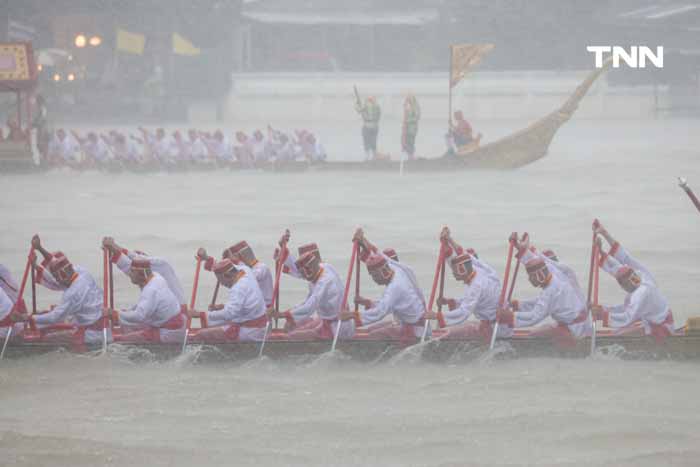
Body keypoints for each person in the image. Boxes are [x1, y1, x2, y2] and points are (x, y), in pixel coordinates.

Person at [496, 233, 591, 346]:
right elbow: (540, 301)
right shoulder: (555, 276)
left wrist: (507, 317)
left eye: (531, 276)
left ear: (539, 275)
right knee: (541, 329)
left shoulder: (550, 291)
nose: (530, 279)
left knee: (534, 334)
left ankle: (568, 346)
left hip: (576, 330)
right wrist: (516, 305)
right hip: (581, 324)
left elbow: (534, 317)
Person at [591, 221, 674, 342]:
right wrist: (603, 237)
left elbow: (626, 317)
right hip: (653, 319)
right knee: (618, 332)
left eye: (621, 285)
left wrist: (601, 315)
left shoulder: (640, 294)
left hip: (661, 329)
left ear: (624, 285)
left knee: (619, 335)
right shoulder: (640, 275)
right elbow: (623, 260)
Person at [424, 227, 506, 342]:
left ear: (462, 270)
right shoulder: (478, 268)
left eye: (454, 270)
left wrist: (437, 316)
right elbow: (461, 253)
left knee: (451, 333)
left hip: (495, 328)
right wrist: (448, 240)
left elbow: (463, 313)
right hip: (497, 319)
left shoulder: (476, 286)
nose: (452, 273)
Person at [26, 235, 109, 347]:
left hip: (91, 335)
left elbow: (54, 318)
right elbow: (56, 264)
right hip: (102, 322)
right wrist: (39, 248)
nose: (55, 280)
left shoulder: (72, 293)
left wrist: (26, 318)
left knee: (49, 338)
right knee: (55, 315)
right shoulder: (81, 272)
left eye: (56, 277)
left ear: (63, 275)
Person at [339, 252, 428, 346]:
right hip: (406, 323)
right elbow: (381, 258)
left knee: (372, 335)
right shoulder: (395, 270)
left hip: (416, 331)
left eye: (375, 276)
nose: (374, 280)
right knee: (369, 329)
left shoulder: (394, 288)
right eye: (372, 276)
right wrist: (368, 303)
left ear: (383, 272)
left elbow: (379, 312)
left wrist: (352, 315)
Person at [275, 251, 354, 340]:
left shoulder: (324, 281)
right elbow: (300, 273)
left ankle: (286, 340)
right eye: (303, 272)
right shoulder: (324, 267)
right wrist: (284, 256)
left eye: (306, 271)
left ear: (313, 266)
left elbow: (310, 307)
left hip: (339, 328)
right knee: (296, 324)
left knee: (294, 335)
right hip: (326, 321)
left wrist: (282, 315)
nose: (304, 275)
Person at [187, 258, 268, 343]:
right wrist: (207, 259)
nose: (221, 284)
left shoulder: (238, 288)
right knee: (211, 323)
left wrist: (200, 314)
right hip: (258, 324)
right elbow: (231, 262)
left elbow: (229, 314)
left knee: (201, 334)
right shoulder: (245, 270)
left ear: (227, 276)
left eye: (220, 280)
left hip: (251, 331)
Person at [112, 258, 185, 343]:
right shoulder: (155, 276)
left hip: (169, 331)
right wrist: (126, 312)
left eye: (132, 272)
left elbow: (138, 316)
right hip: (170, 322)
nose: (130, 275)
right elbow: (144, 306)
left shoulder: (150, 290)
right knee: (126, 319)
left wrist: (116, 314)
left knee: (122, 340)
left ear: (141, 274)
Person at [102, 237, 186, 309]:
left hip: (175, 311)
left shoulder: (160, 264)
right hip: (170, 310)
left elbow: (130, 265)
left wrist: (114, 248)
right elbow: (131, 261)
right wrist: (113, 248)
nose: (133, 271)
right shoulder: (149, 275)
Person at [199, 241, 274, 310]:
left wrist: (234, 261)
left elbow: (247, 277)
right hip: (248, 310)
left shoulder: (262, 268)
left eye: (236, 258)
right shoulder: (244, 269)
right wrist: (207, 258)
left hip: (263, 311)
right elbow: (222, 268)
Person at [354, 95, 381, 161]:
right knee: (367, 141)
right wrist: (357, 104)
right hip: (367, 126)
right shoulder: (365, 107)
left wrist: (358, 106)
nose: (369, 102)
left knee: (373, 141)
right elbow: (358, 110)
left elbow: (377, 116)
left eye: (370, 100)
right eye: (369, 100)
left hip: (373, 126)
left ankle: (373, 155)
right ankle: (368, 155)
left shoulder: (376, 107)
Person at [401, 94, 421, 161]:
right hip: (406, 128)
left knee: (411, 141)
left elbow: (417, 117)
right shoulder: (407, 106)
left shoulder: (416, 107)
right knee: (406, 141)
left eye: (410, 99)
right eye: (408, 99)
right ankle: (409, 155)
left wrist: (407, 121)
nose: (408, 100)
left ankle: (411, 155)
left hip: (412, 128)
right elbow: (405, 116)